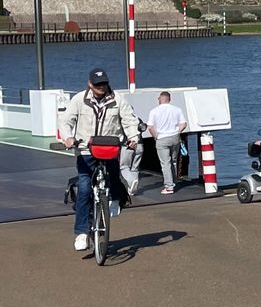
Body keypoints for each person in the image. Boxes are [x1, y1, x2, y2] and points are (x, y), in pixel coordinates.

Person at [57, 68, 140, 251]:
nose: (101, 87)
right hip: (86, 150)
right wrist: (68, 137)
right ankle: (82, 233)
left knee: (114, 177)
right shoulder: (79, 99)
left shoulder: (118, 100)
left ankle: (116, 199)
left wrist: (133, 137)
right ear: (90, 84)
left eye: (104, 83)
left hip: (109, 148)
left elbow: (129, 120)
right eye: (97, 84)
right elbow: (66, 121)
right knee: (85, 188)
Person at [147, 91, 188, 195]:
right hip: (174, 137)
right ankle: (173, 181)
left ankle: (169, 187)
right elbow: (184, 124)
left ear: (160, 99)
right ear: (169, 99)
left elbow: (150, 127)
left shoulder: (154, 111)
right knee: (173, 161)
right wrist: (177, 131)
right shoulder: (177, 109)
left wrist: (155, 136)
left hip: (162, 137)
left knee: (165, 163)